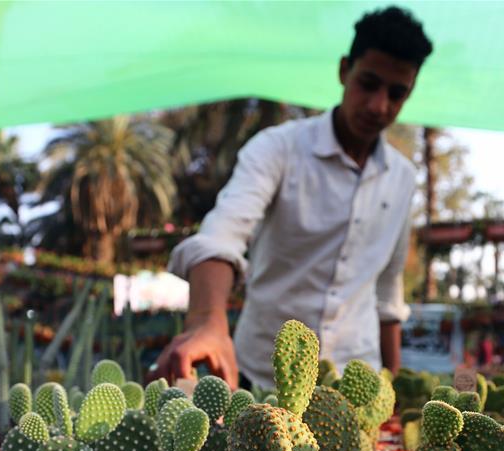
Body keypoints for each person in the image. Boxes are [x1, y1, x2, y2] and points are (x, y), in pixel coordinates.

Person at [153, 6, 433, 390]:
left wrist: (394, 386)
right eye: (368, 83)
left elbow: (388, 291)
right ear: (343, 71)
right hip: (264, 379)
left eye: (396, 93)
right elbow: (223, 235)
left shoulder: (402, 177)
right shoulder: (278, 149)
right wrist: (206, 320)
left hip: (355, 387)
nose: (378, 106)